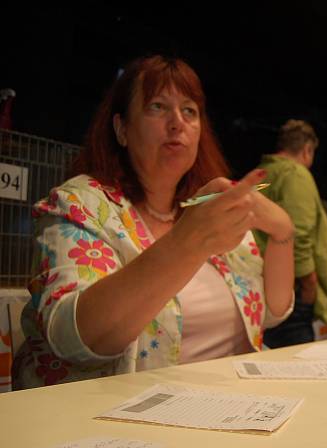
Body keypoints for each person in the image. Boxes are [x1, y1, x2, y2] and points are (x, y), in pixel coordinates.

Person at [12, 55, 295, 389]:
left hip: (230, 409)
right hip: (115, 422)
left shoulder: (209, 207)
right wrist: (188, 242)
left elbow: (270, 313)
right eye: (157, 107)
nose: (177, 122)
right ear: (121, 129)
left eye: (189, 111)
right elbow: (73, 340)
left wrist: (283, 230)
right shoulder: (81, 203)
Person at [254, 119, 327, 347]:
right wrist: (309, 285)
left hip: (258, 287)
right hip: (290, 291)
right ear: (307, 149)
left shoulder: (260, 174)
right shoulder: (296, 174)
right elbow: (298, 234)